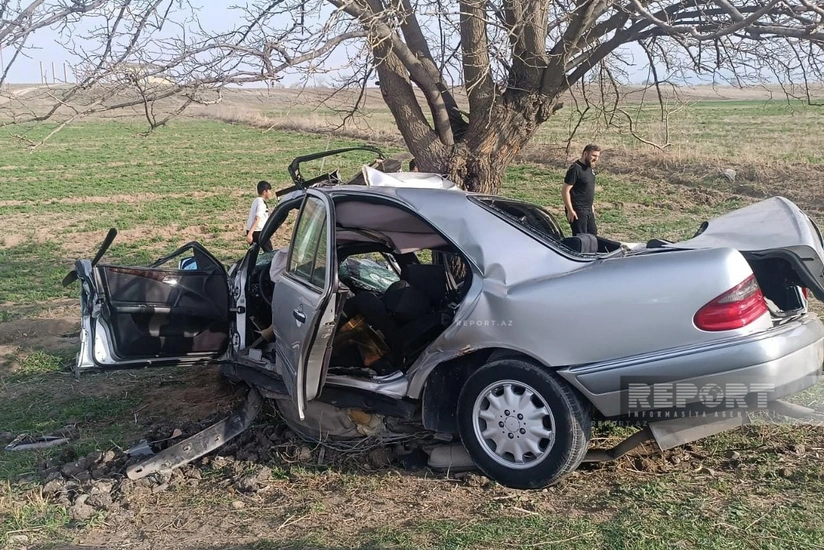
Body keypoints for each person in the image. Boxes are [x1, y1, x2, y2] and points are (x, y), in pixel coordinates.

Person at [562, 144, 601, 236]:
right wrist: (570, 210)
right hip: (577, 210)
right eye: (594, 155)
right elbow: (565, 191)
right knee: (581, 238)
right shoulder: (575, 169)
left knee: (593, 236)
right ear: (585, 154)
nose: (596, 159)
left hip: (588, 209)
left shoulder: (589, 168)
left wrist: (591, 205)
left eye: (598, 156)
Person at [246, 180, 274, 251]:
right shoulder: (261, 204)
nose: (271, 193)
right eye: (269, 191)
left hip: (252, 230)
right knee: (269, 252)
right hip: (258, 232)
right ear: (265, 192)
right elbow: (257, 218)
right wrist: (250, 234)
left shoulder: (256, 200)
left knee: (253, 253)